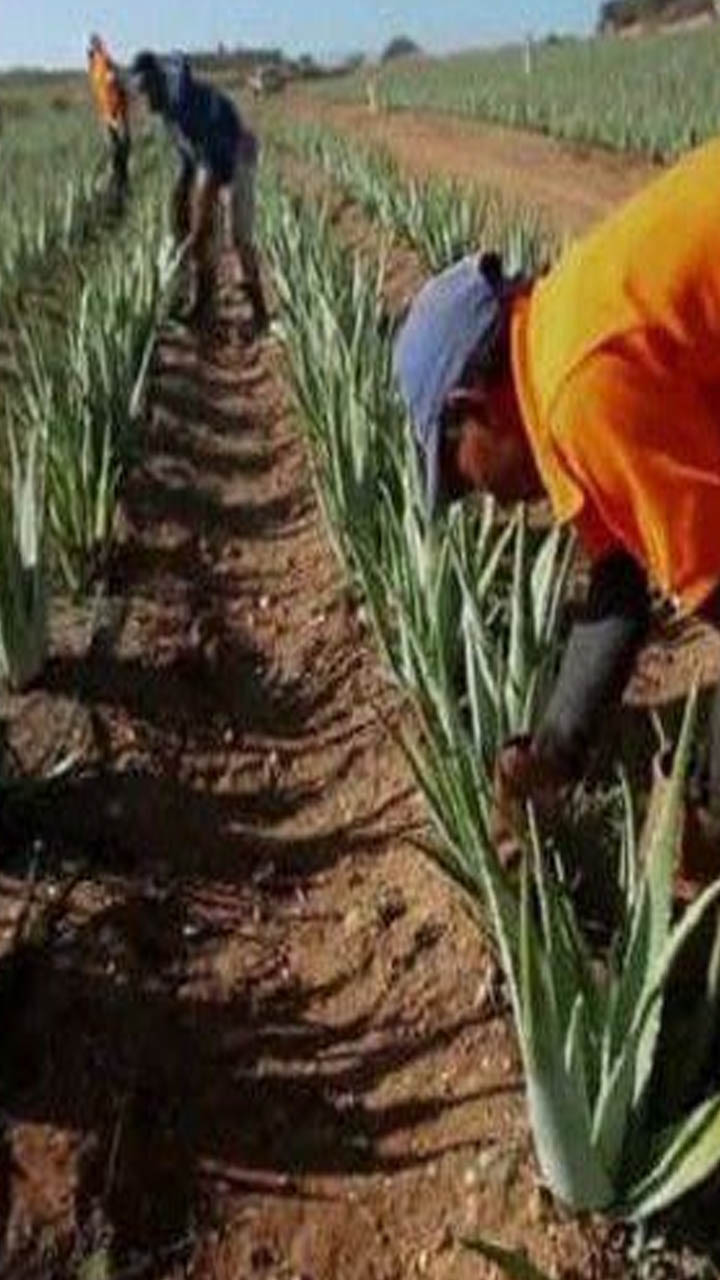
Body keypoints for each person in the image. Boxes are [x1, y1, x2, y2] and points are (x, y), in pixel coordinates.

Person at [393, 137, 720, 886]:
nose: (482, 499)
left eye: (462, 476)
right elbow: (620, 590)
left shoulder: (580, 392)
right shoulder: (549, 345)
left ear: (473, 409)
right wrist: (550, 756)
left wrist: (700, 821)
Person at [129, 50, 268, 334]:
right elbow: (188, 162)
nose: (142, 100)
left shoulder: (184, 105)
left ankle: (260, 312)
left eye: (145, 91)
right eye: (138, 93)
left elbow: (209, 171)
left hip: (238, 152)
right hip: (209, 158)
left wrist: (195, 231)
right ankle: (203, 307)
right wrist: (179, 208)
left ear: (156, 82)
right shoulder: (167, 108)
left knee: (235, 234)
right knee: (196, 228)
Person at [87, 33, 131, 214]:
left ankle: (119, 192)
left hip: (114, 115)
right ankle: (117, 193)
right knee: (117, 156)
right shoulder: (97, 65)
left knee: (119, 155)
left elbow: (115, 87)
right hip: (111, 116)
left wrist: (117, 116)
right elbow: (109, 91)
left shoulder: (101, 63)